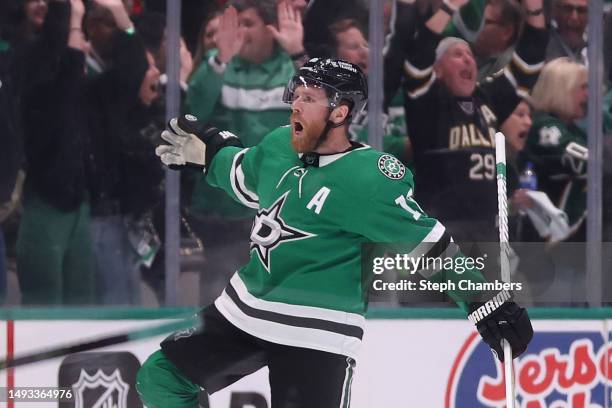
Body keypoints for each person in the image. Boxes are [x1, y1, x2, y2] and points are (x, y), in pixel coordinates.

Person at [137, 58, 533, 407]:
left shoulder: (369, 179)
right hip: (246, 310)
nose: (295, 103)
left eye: (309, 98)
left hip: (318, 329)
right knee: (161, 378)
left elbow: (430, 248)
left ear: (340, 112)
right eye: (296, 94)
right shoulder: (280, 145)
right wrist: (209, 152)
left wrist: (486, 303)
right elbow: (244, 173)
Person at [402, 0, 546, 244]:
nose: (468, 60)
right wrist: (448, 8)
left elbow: (529, 63)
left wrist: (534, 8)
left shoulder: (487, 100)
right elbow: (417, 61)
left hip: (486, 230)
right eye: (457, 55)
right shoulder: (428, 103)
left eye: (470, 54)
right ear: (437, 69)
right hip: (439, 229)